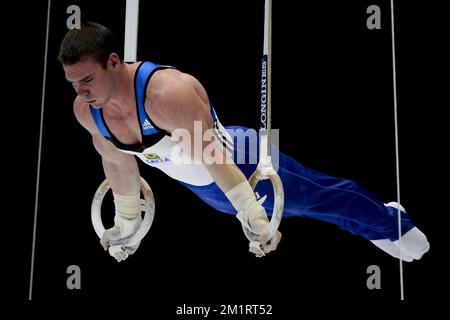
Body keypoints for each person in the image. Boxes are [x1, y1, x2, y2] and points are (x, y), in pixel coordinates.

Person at [58, 22, 430, 262]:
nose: (81, 92)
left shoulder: (166, 95)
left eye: (87, 79)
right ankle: (377, 221)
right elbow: (119, 162)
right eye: (73, 83)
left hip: (244, 162)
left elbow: (214, 156)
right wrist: (126, 221)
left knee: (323, 201)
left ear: (113, 61)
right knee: (309, 211)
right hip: (209, 189)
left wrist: (251, 213)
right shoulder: (86, 110)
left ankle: (391, 223)